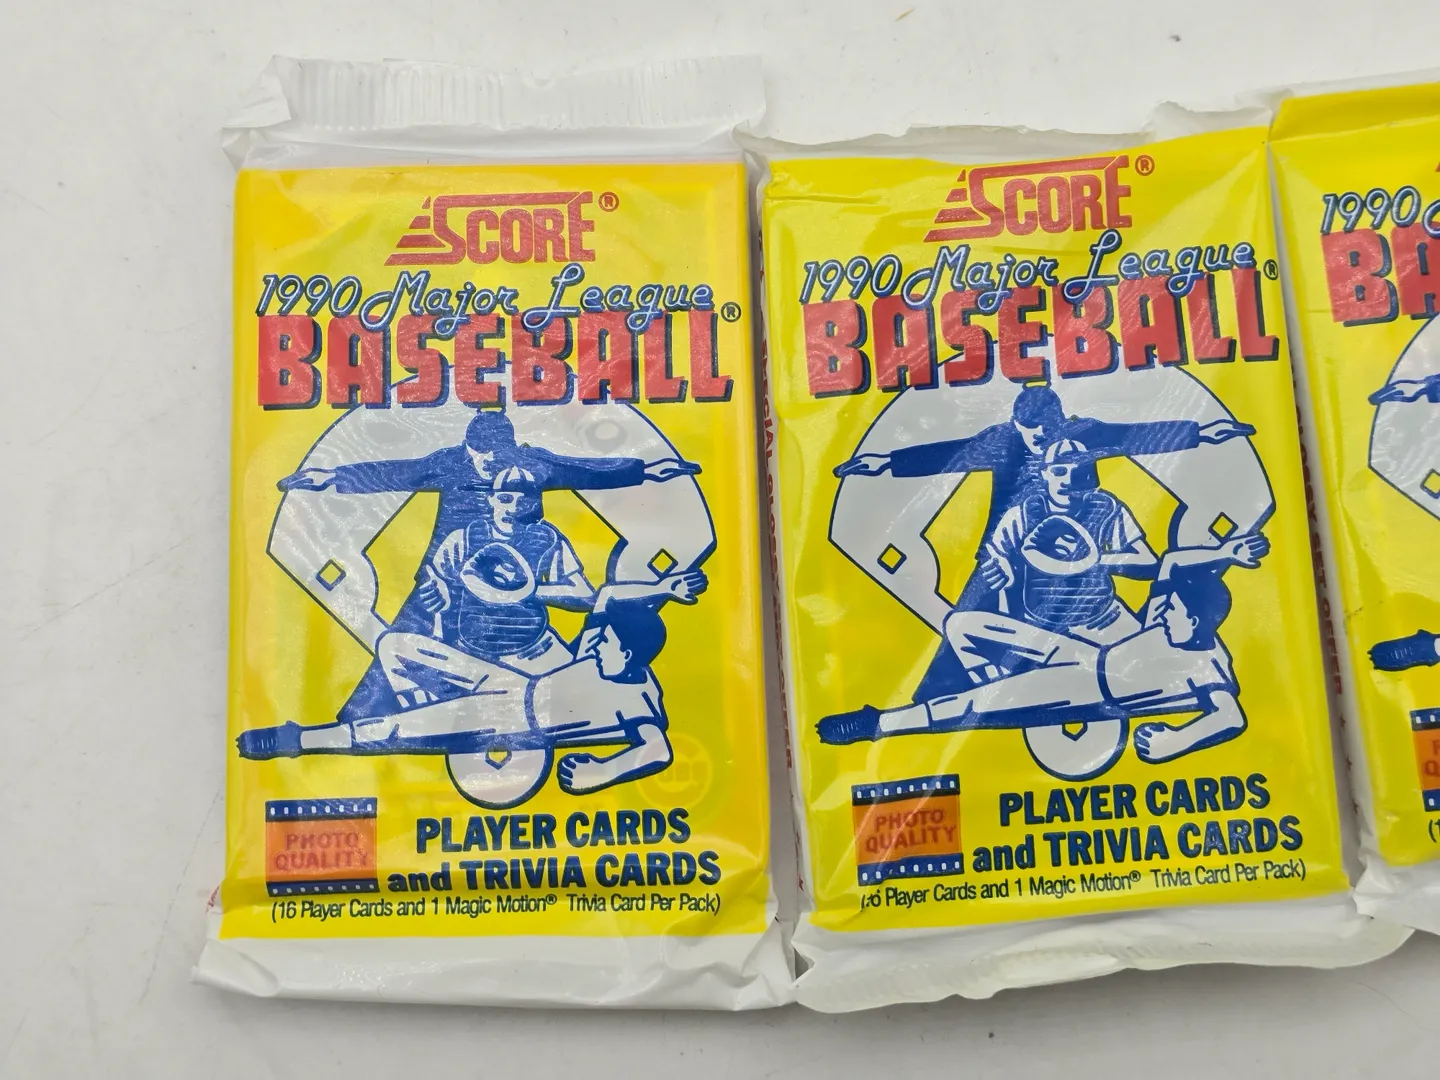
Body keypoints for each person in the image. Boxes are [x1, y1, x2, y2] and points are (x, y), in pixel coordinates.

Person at [276, 409, 700, 722]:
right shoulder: (450, 463)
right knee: (407, 641)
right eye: (479, 459)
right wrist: (331, 478)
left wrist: (646, 470)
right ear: (468, 450)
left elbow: (585, 469)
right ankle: (364, 720)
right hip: (451, 569)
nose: (487, 467)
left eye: (495, 459)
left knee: (524, 643)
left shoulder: (530, 465)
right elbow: (396, 472)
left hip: (519, 572)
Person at [832, 385, 1251, 700]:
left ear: (1060, 421)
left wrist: (1201, 432)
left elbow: (1137, 435)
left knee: (1086, 613)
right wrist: (887, 462)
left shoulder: (1083, 437)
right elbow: (950, 454)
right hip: (1009, 548)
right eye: (1031, 435)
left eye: (1046, 433)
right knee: (969, 623)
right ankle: (944, 700)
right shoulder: (1003, 442)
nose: (1039, 441)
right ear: (1018, 427)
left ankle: (1112, 676)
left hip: (1080, 546)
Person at [236, 570, 708, 797]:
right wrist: (664, 589)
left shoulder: (638, 700)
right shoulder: (602, 649)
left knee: (390, 729)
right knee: (398, 645)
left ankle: (297, 740)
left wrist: (599, 773)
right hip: (510, 683)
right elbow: (608, 595)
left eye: (607, 642)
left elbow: (657, 751)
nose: (597, 640)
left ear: (629, 655)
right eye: (601, 636)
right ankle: (426, 720)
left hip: (508, 719)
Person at [817, 533, 1269, 765]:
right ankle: (1005, 694)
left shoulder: (1209, 666)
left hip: (1085, 690)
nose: (1163, 609)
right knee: (965, 625)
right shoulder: (1170, 619)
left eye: (1173, 610)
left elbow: (1230, 717)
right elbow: (1171, 561)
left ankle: (877, 723)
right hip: (1084, 655)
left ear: (1197, 622)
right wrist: (1226, 553)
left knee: (973, 704)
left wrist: (1175, 740)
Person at [406, 465, 594, 682]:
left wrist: (526, 590)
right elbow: (432, 576)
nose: (513, 508)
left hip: (534, 649)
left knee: (580, 683)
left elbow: (585, 595)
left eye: (523, 501)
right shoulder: (463, 538)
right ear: (491, 499)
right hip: (470, 654)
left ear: (535, 504)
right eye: (505, 499)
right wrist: (436, 592)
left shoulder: (546, 539)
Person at [981, 439, 1157, 644]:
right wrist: (999, 571)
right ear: (1044, 473)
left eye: (1078, 471)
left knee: (1147, 648)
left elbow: (1149, 563)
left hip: (1103, 618)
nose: (1068, 480)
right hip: (1037, 625)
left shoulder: (1106, 508)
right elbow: (994, 559)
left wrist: (1089, 560)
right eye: (1059, 471)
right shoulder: (1021, 515)